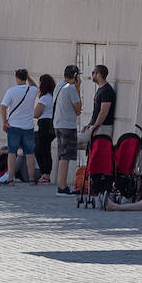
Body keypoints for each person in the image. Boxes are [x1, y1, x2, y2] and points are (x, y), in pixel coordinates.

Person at [0, 68, 39, 185]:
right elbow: (35, 86)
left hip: (14, 126)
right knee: (30, 153)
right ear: (26, 78)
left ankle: (10, 178)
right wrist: (28, 77)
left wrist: (4, 122)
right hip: (28, 127)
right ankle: (31, 179)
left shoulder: (11, 91)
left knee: (12, 152)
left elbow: (3, 107)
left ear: (16, 78)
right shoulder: (32, 90)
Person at [54, 65, 83, 196]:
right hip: (68, 125)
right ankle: (62, 187)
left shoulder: (59, 86)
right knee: (65, 157)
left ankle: (62, 185)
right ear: (75, 75)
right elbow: (78, 108)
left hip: (58, 124)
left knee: (62, 155)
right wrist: (78, 88)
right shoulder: (71, 89)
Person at [82, 64, 116, 151]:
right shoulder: (101, 89)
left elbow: (104, 111)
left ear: (99, 74)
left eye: (93, 72)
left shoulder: (106, 90)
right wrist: (89, 124)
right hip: (96, 126)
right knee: (91, 147)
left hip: (102, 127)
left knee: (73, 142)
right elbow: (96, 110)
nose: (92, 75)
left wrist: (95, 127)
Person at [33, 72, 57, 185]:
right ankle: (46, 174)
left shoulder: (44, 99)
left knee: (40, 150)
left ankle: (45, 174)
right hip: (52, 124)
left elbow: (36, 113)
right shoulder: (52, 97)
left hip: (44, 124)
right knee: (45, 149)